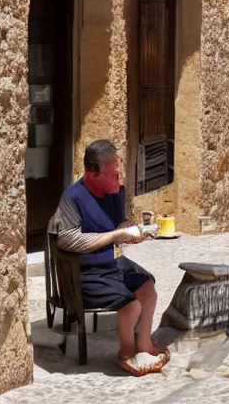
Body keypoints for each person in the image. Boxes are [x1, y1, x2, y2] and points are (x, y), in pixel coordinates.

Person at [48, 140, 169, 376]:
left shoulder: (115, 193)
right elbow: (68, 239)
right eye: (113, 173)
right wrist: (117, 235)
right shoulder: (73, 198)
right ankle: (126, 354)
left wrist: (132, 232)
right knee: (131, 305)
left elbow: (117, 225)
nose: (119, 177)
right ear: (93, 172)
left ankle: (143, 345)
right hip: (85, 271)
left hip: (112, 263)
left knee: (147, 288)